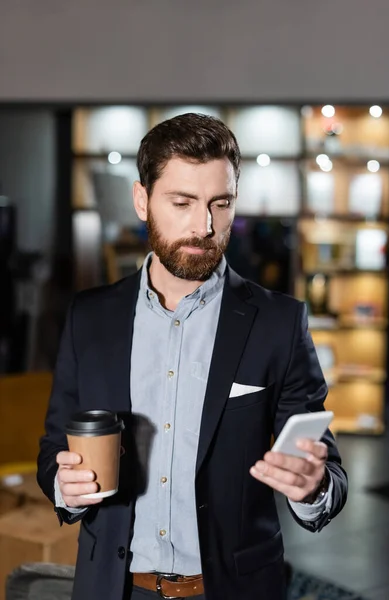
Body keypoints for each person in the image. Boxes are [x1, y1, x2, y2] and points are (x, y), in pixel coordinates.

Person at [37, 113, 347, 600]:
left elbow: (329, 478)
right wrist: (65, 488)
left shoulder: (279, 323)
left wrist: (311, 487)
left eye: (219, 204)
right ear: (143, 200)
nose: (203, 226)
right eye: (181, 202)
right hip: (113, 588)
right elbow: (54, 448)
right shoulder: (89, 317)